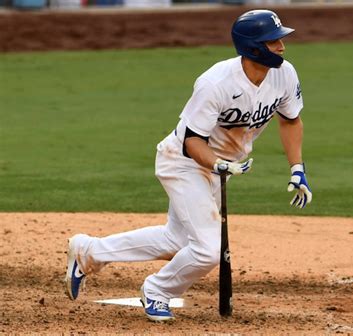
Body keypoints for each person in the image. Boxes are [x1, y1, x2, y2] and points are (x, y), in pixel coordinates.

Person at [65, 9, 312, 322]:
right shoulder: (216, 83)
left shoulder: (285, 74)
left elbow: (291, 121)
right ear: (252, 47)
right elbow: (192, 142)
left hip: (219, 166)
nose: (282, 46)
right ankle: (157, 290)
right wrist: (220, 164)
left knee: (177, 241)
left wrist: (297, 169)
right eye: (273, 41)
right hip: (182, 162)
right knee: (208, 249)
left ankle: (89, 252)